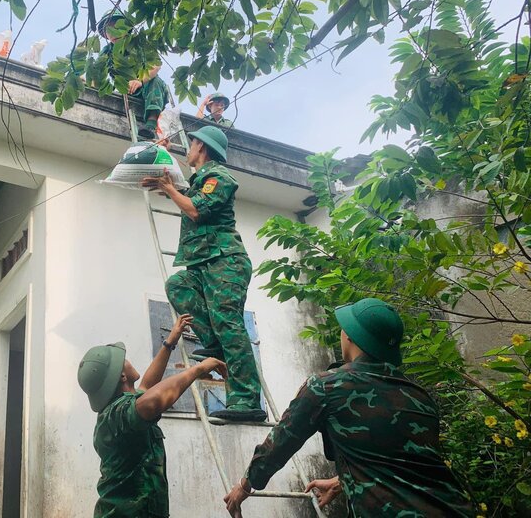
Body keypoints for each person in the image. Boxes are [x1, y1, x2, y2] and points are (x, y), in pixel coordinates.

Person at [223, 298, 476, 517]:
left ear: (350, 336)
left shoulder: (327, 387)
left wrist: (244, 486)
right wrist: (341, 481)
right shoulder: (420, 397)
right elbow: (405, 463)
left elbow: (280, 443)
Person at [141, 126, 266, 423]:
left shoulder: (220, 177)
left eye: (192, 143)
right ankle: (212, 342)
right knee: (177, 285)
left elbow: (197, 210)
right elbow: (189, 190)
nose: (189, 147)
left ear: (203, 147)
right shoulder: (201, 180)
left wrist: (170, 190)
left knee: (229, 322)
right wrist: (166, 161)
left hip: (225, 261)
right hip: (203, 264)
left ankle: (246, 399)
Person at [78, 314, 227, 517]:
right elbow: (152, 402)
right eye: (124, 360)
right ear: (122, 376)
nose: (128, 359)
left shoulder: (122, 408)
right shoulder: (115, 415)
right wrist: (197, 370)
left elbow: (148, 385)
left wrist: (169, 343)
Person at [97, 9, 170, 139]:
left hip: (146, 86)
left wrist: (140, 81)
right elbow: (98, 75)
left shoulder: (139, 43)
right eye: (108, 30)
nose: (113, 33)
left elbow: (156, 64)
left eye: (117, 27)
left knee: (156, 82)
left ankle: (151, 124)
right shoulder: (106, 52)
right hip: (124, 90)